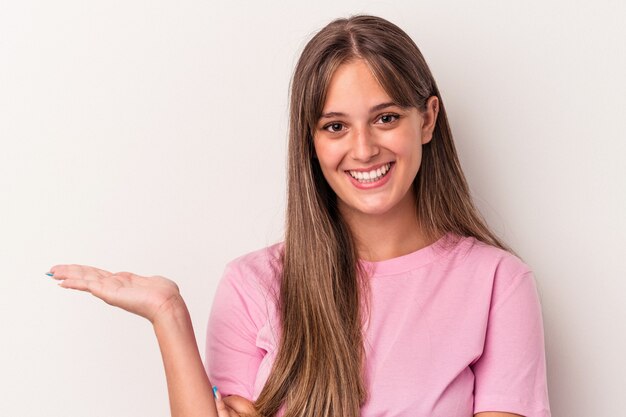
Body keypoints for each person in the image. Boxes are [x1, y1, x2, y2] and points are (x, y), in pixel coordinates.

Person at [47, 14, 550, 417]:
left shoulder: (497, 284)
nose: (364, 148)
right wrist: (168, 314)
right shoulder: (251, 285)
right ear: (310, 142)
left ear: (428, 119)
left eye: (386, 117)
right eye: (335, 126)